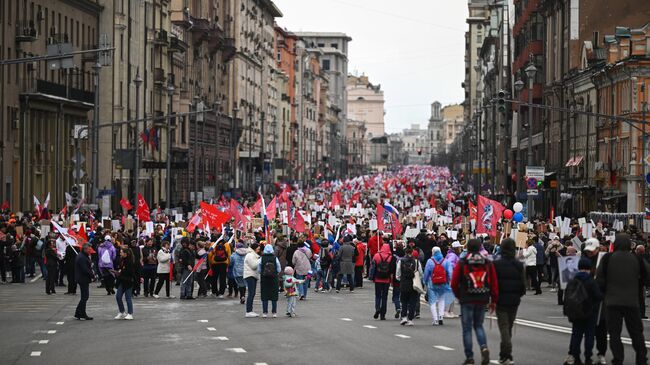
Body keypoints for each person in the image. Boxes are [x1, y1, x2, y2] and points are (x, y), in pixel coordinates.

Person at [596, 234, 649, 365]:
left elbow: (600, 281)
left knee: (614, 333)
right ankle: (641, 358)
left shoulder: (608, 258)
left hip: (612, 301)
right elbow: (647, 277)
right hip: (632, 301)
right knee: (636, 332)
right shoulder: (637, 258)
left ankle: (618, 359)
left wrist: (604, 293)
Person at [451, 238, 499, 365]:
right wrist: (493, 300)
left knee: (467, 329)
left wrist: (459, 296)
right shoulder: (487, 262)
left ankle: (470, 357)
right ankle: (483, 346)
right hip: (482, 297)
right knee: (478, 325)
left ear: (467, 248)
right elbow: (494, 282)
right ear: (480, 248)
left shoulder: (462, 262)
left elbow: (454, 282)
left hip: (466, 298)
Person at [563, 258, 603, 365]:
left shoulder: (572, 280)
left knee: (576, 334)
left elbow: (566, 297)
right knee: (589, 336)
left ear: (579, 268)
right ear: (589, 268)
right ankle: (588, 358)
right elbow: (598, 296)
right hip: (590, 312)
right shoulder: (591, 281)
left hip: (576, 312)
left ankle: (575, 357)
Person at [493, 238, 526, 365]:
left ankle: (507, 354)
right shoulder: (519, 264)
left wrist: (492, 296)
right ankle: (504, 354)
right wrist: (519, 294)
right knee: (509, 326)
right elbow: (523, 283)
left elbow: (493, 282)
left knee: (504, 327)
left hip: (500, 299)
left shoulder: (496, 264)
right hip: (514, 300)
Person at [424, 246, 453, 326]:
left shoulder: (430, 261)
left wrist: (425, 282)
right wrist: (450, 281)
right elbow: (450, 273)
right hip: (443, 283)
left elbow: (426, 273)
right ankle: (441, 317)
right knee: (441, 300)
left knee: (432, 301)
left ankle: (435, 319)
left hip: (432, 283)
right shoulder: (446, 261)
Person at [396, 246, 422, 326]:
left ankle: (404, 317)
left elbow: (398, 273)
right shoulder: (417, 261)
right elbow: (420, 273)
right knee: (412, 302)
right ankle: (410, 319)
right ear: (412, 253)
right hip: (413, 284)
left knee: (404, 301)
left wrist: (400, 279)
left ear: (405, 252)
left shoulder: (401, 261)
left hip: (404, 283)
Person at [369, 242, 393, 320]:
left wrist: (371, 277)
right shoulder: (390, 257)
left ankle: (377, 309)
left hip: (378, 278)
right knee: (385, 297)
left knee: (378, 295)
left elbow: (372, 267)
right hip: (387, 279)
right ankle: (383, 314)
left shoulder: (376, 256)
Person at [258, 244, 281, 318]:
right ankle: (274, 312)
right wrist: (276, 273)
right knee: (274, 295)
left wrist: (261, 273)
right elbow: (279, 269)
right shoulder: (275, 258)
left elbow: (259, 269)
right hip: (274, 279)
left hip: (264, 279)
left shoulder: (262, 258)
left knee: (265, 295)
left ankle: (265, 312)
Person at [114, 247, 136, 320]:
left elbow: (130, 273)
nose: (120, 253)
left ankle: (130, 313)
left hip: (128, 282)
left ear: (125, 253)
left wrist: (120, 272)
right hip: (122, 281)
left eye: (121, 252)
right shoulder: (121, 260)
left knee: (128, 298)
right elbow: (121, 269)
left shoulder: (130, 262)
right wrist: (118, 271)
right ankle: (122, 311)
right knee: (118, 296)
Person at [74, 244, 95, 320]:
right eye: (89, 249)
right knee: (85, 297)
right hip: (82, 279)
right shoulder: (82, 257)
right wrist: (92, 275)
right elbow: (85, 269)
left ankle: (78, 313)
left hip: (82, 278)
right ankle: (81, 313)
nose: (90, 251)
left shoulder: (83, 256)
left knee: (84, 297)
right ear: (85, 249)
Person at [244, 242, 261, 317]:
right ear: (255, 248)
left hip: (252, 275)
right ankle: (248, 311)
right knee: (251, 293)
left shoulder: (253, 255)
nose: (259, 249)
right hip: (250, 275)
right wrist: (260, 260)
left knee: (252, 293)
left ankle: (250, 310)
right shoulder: (250, 255)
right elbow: (253, 266)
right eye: (258, 248)